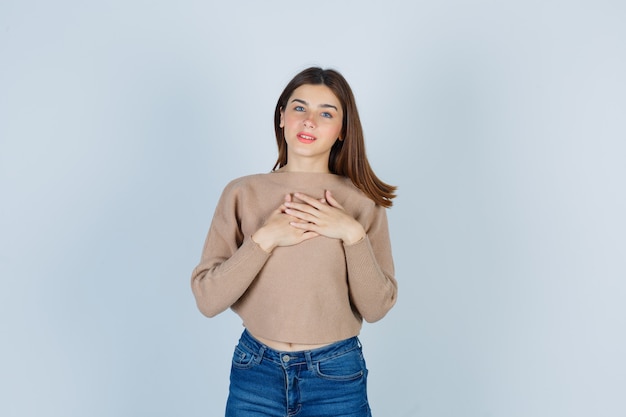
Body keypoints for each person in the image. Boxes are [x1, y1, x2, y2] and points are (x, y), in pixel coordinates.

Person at [191, 66, 398, 417]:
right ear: (282, 116)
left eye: (326, 113)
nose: (310, 121)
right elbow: (208, 300)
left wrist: (352, 234)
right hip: (255, 372)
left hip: (335, 376)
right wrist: (264, 239)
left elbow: (376, 308)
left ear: (342, 130)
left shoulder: (362, 202)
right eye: (299, 108)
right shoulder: (243, 192)